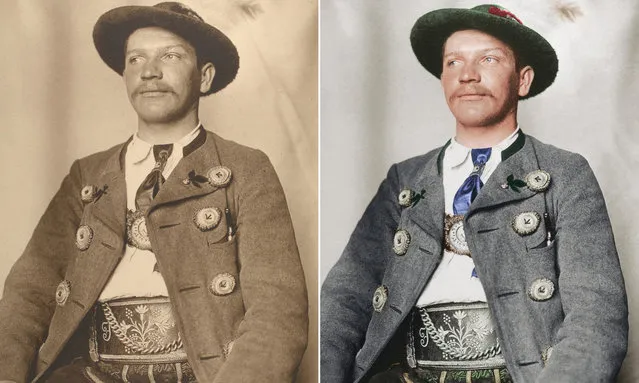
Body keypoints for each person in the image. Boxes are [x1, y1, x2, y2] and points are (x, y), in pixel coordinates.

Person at [0, 2, 308, 382]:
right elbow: (26, 297)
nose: (149, 71)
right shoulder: (87, 176)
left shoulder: (246, 169)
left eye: (171, 56)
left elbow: (278, 313)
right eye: (135, 59)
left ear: (205, 77)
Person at [321, 4, 628, 383]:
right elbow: (343, 301)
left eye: (488, 59)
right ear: (443, 81)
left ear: (523, 80)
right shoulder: (405, 180)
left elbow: (597, 317)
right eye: (453, 63)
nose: (467, 75)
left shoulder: (564, 173)